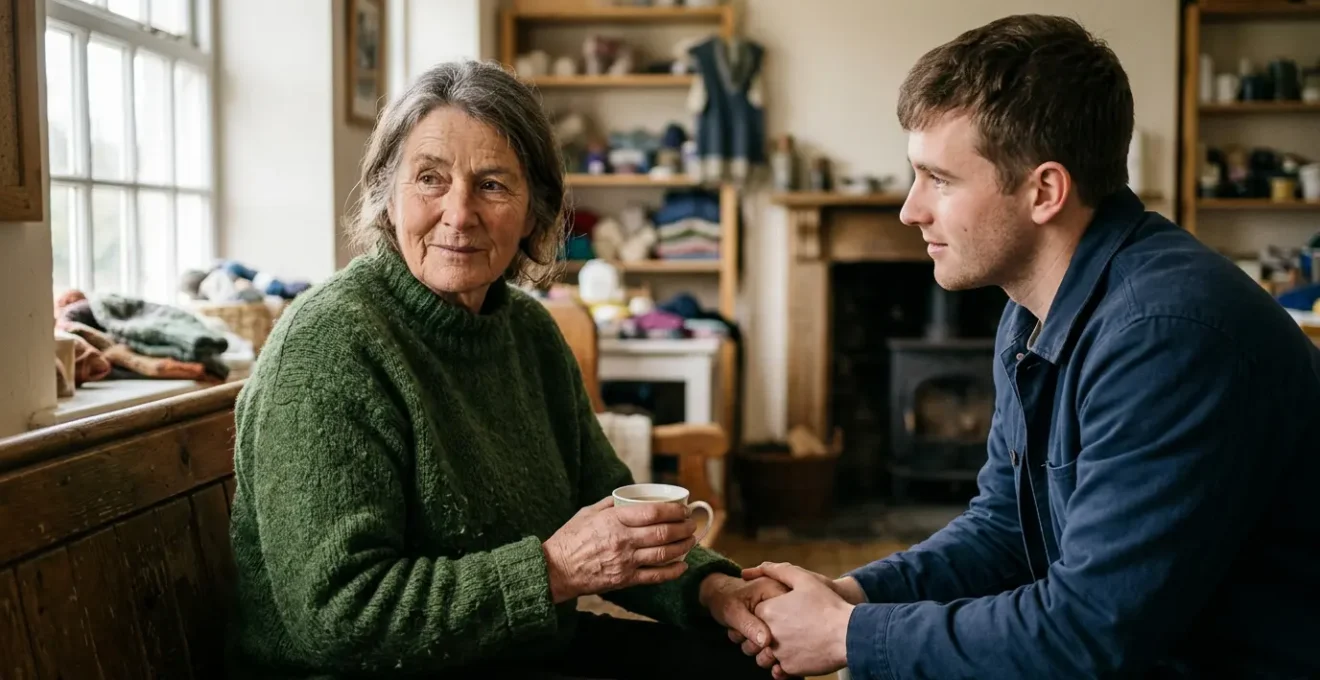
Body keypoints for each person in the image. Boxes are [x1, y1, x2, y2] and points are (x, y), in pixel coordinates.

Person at [735, 14, 1320, 680]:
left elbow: (1087, 634)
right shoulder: (1035, 309)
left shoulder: (1167, 337)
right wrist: (853, 596)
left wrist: (851, 637)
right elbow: (1004, 528)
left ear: (1045, 190)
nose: (909, 210)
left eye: (939, 180)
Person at [225, 60, 783, 679]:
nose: (459, 214)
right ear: (388, 194)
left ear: (535, 212)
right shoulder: (331, 343)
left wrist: (716, 592)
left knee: (752, 665)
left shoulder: (529, 332)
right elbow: (338, 617)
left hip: (515, 652)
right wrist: (554, 571)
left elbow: (614, 519)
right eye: (430, 179)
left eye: (492, 185)